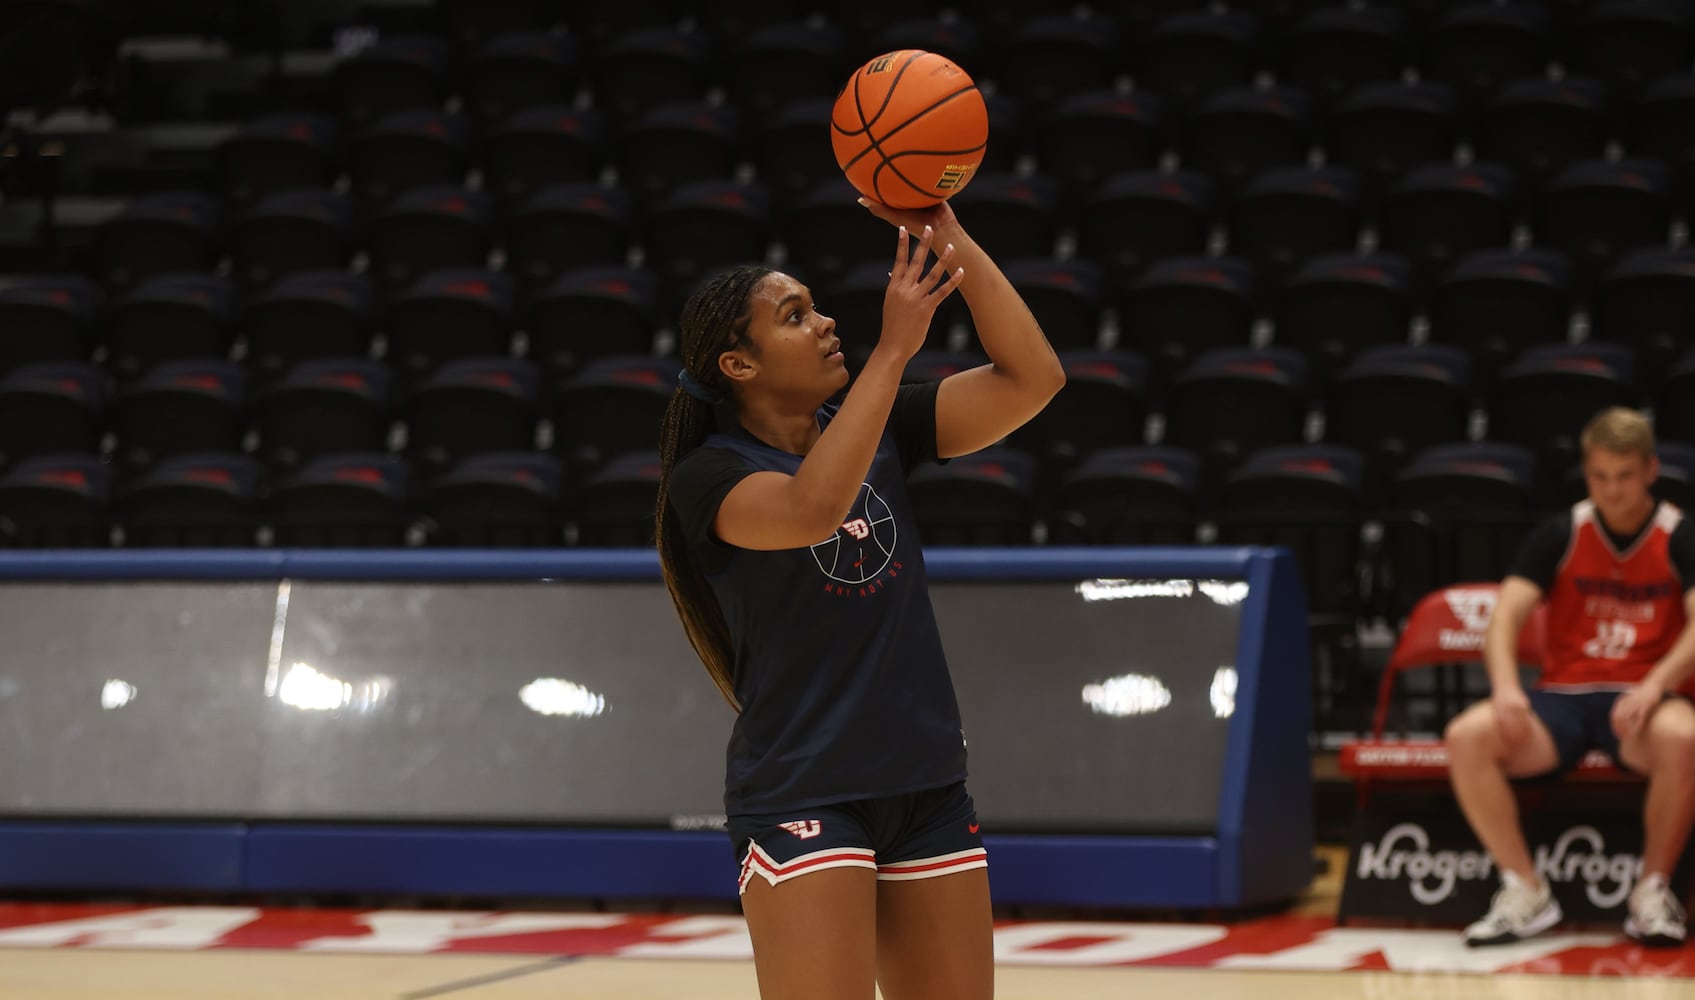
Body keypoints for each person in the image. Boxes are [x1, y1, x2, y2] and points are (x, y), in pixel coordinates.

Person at [654, 196, 1064, 1000]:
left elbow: (1033, 378)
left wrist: (946, 236)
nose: (825, 322)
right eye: (794, 315)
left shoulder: (879, 423)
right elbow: (813, 510)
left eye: (816, 307)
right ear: (737, 365)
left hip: (926, 783)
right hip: (805, 792)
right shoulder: (708, 478)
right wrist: (894, 352)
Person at [1444, 407, 1695, 948]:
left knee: (1686, 738)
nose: (1613, 490)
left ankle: (1652, 892)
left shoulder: (1679, 536)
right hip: (1562, 696)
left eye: (1625, 476)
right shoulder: (1561, 532)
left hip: (1641, 698)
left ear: (1651, 471)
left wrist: (1654, 684)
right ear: (1587, 474)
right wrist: (1507, 686)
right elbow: (1505, 616)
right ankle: (1525, 890)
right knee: (1467, 735)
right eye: (1600, 477)